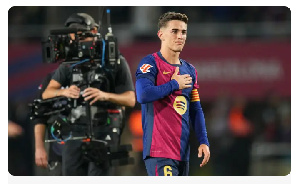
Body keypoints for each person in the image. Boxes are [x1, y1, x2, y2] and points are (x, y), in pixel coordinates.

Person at [42, 13, 135, 176]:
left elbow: (130, 99)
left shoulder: (114, 61)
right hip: (74, 130)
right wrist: (64, 91)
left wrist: (104, 95)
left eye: (81, 35)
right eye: (72, 36)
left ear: (93, 32)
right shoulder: (68, 65)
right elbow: (47, 94)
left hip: (104, 129)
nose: (76, 41)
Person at [135, 12, 210, 176]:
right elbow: (142, 95)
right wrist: (175, 84)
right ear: (161, 34)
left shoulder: (190, 70)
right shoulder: (150, 63)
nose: (180, 36)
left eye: (183, 32)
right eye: (174, 31)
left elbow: (196, 109)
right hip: (159, 151)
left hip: (183, 153)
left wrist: (204, 141)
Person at [34, 72, 63, 176]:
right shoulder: (52, 78)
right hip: (58, 153)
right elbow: (39, 116)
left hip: (91, 151)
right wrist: (39, 147)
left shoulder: (95, 75)